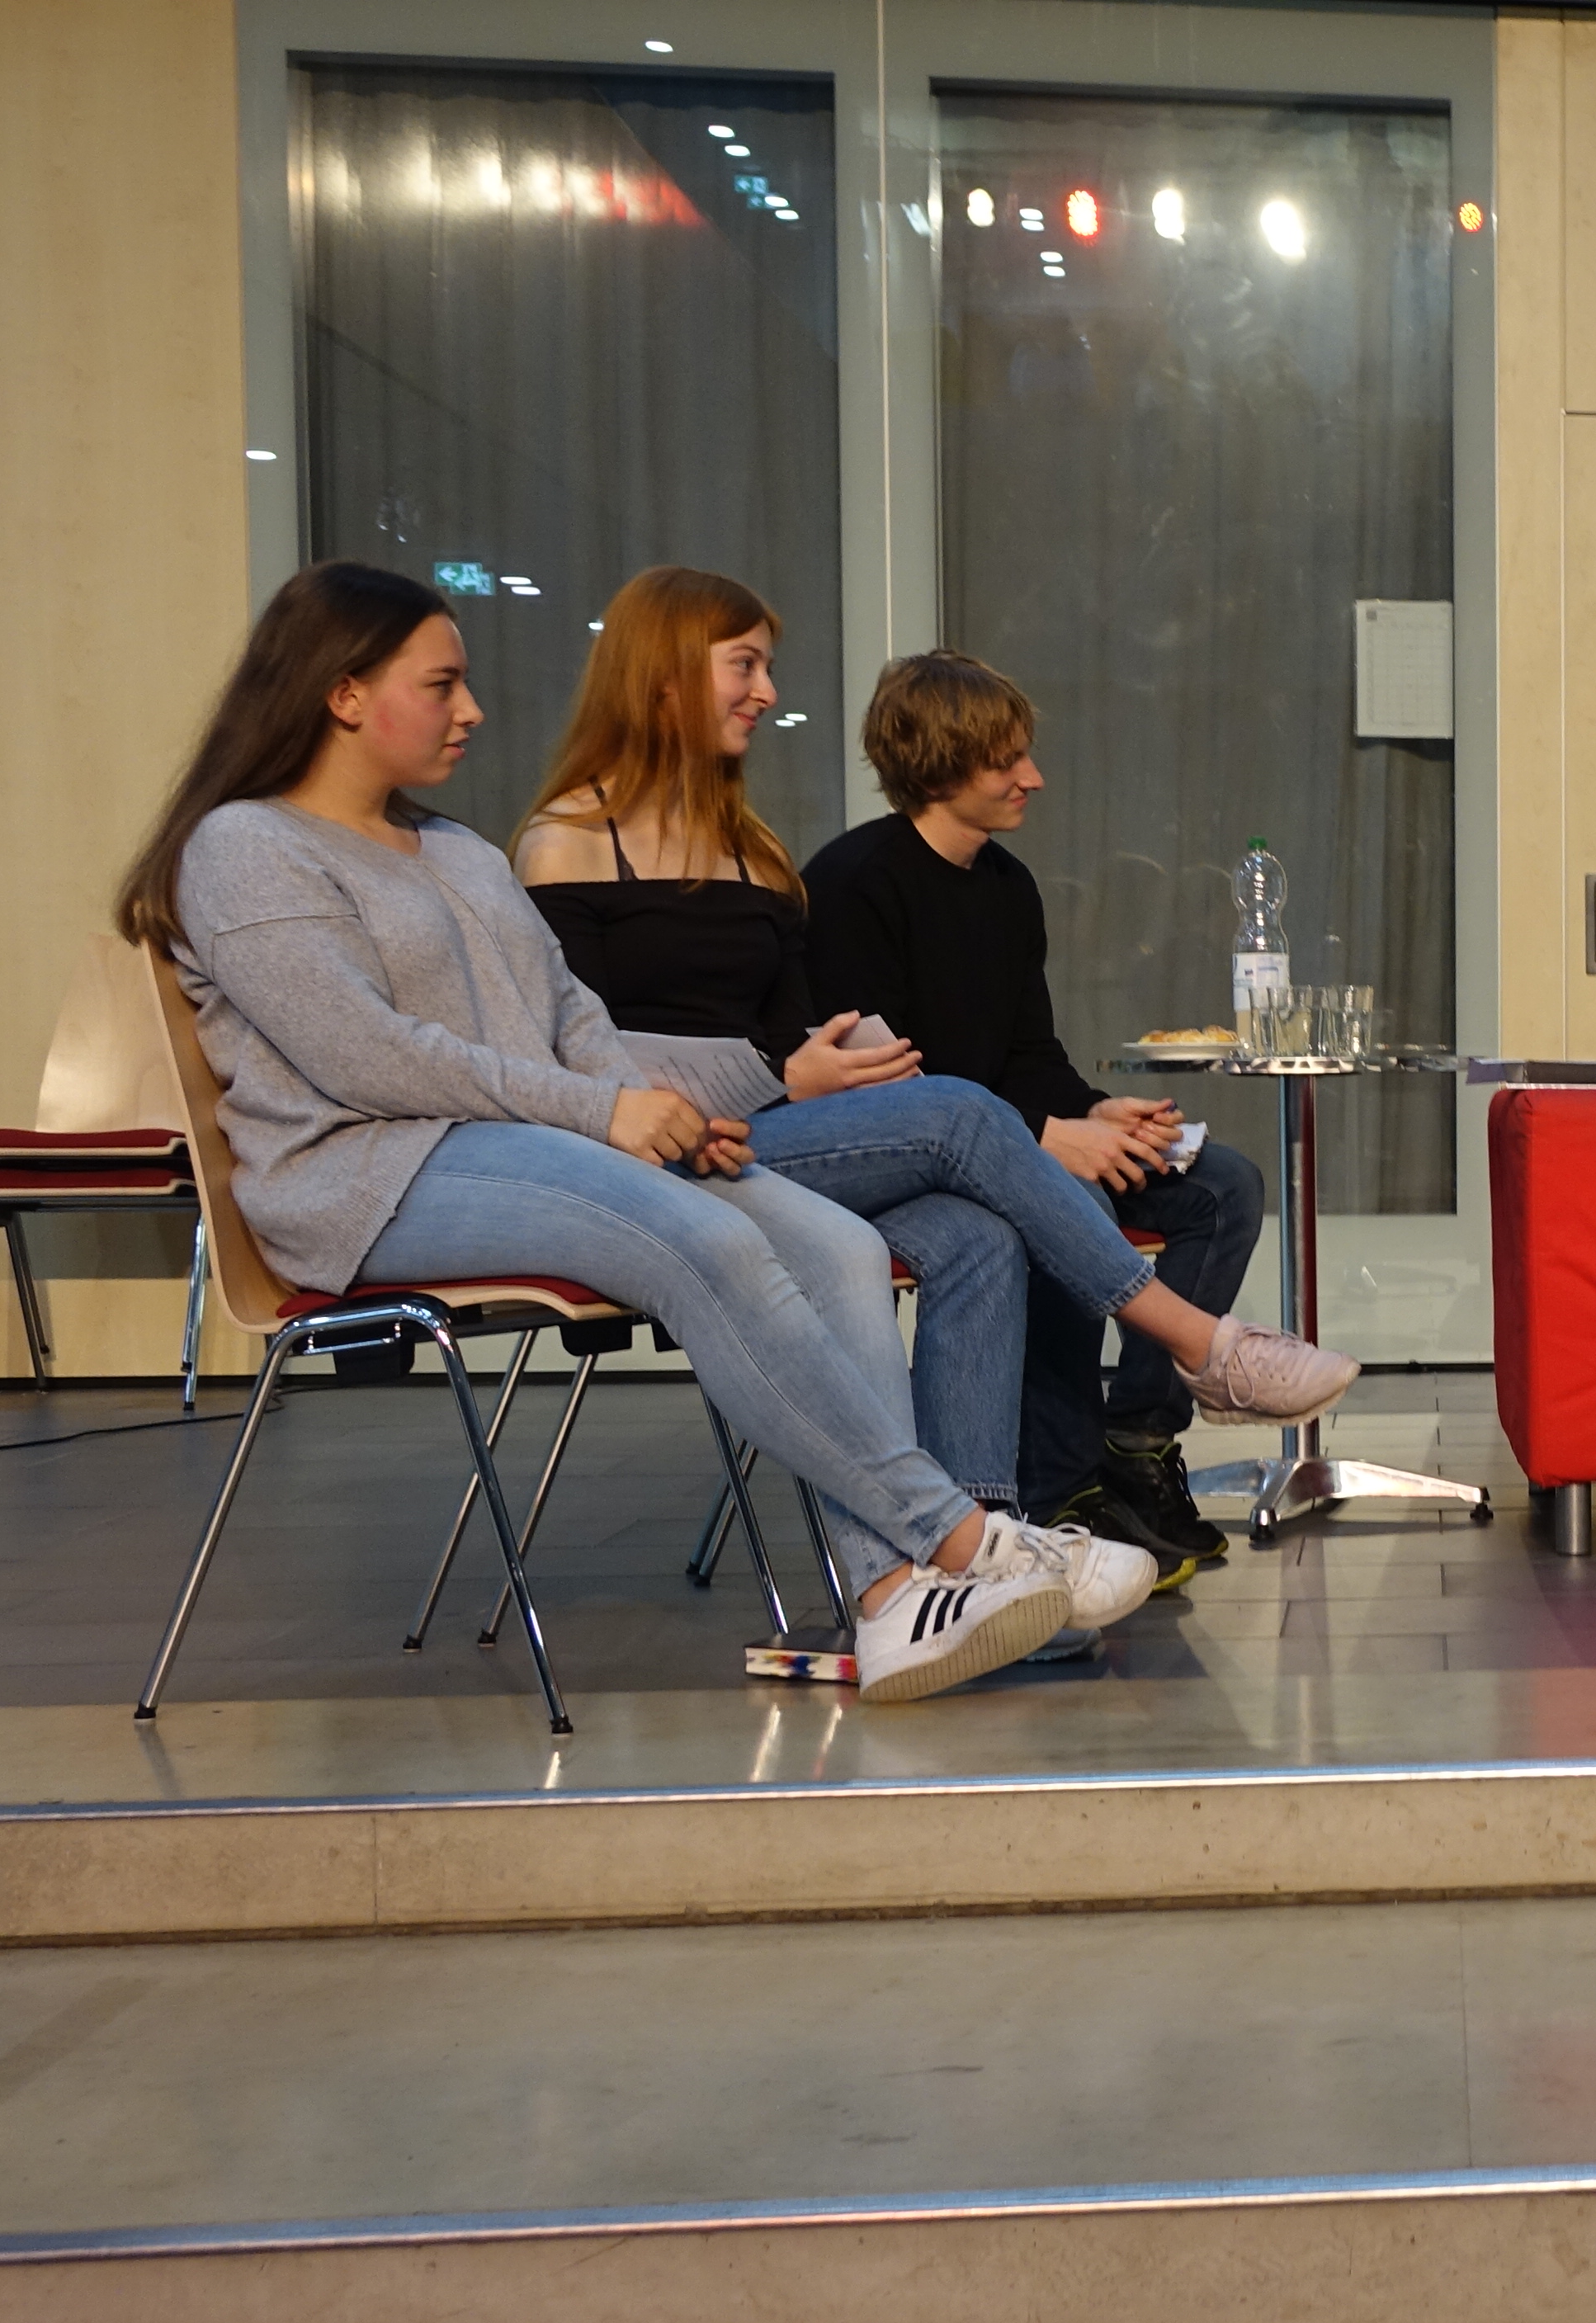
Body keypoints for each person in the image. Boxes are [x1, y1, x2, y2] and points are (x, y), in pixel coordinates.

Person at [120, 562, 1150, 1702]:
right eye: (443, 684)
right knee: (706, 1239)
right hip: (368, 1176)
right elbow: (366, 1056)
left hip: (513, 1144)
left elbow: (570, 1013)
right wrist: (608, 1113)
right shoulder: (246, 847)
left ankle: (893, 1601)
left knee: (839, 1245)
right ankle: (962, 1542)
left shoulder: (454, 848)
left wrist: (660, 1119)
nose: (472, 710)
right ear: (344, 692)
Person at [517, 578, 1334, 1585]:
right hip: (663, 1153)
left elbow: (813, 1032)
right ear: (663, 675)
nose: (769, 691)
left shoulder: (756, 852)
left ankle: (988, 1554)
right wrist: (801, 1074)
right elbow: (578, 1047)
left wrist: (1081, 1110)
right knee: (972, 1123)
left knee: (995, 1230)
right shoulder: (571, 843)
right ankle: (1188, 1355)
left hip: (785, 1134)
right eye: (747, 665)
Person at [800, 652, 1297, 1550]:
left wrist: (1096, 1113)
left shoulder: (1007, 885)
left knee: (1224, 1186)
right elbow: (892, 1088)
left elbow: (1029, 1053)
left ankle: (1136, 1441)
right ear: (939, 764)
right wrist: (1048, 1136)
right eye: (1007, 762)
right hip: (920, 1162)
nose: (1033, 778)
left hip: (1020, 1128)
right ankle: (1061, 1483)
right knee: (1079, 1200)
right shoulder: (854, 884)